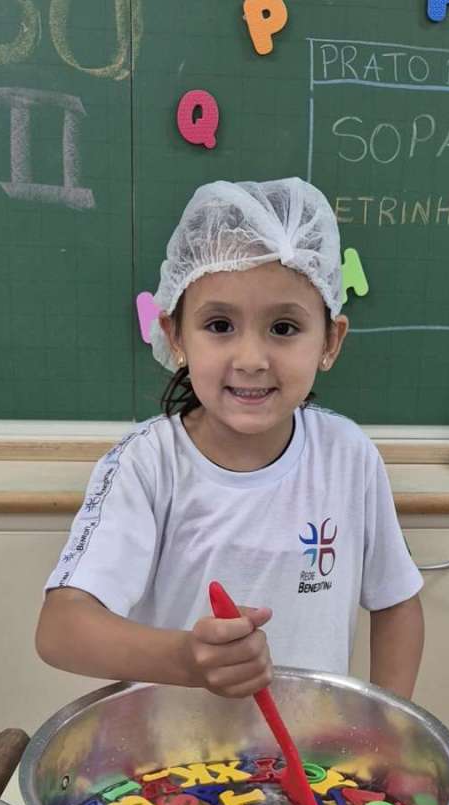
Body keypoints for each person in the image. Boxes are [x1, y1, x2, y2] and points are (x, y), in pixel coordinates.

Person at [36, 177, 424, 700]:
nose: (251, 359)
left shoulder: (347, 456)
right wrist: (187, 659)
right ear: (176, 336)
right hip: (173, 747)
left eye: (284, 328)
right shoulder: (148, 466)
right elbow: (61, 629)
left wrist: (386, 725)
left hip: (311, 746)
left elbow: (396, 601)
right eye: (219, 325)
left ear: (330, 342)